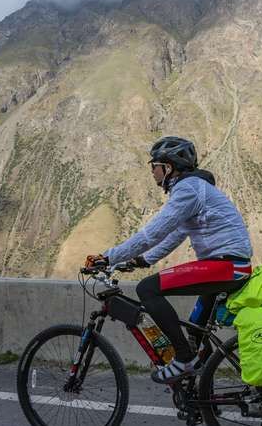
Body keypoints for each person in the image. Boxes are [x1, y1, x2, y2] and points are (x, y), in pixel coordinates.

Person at [85, 136, 253, 384]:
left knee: (147, 289)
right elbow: (176, 234)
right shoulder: (194, 189)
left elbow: (153, 233)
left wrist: (108, 257)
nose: (152, 171)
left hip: (226, 267)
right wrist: (142, 261)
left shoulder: (188, 189)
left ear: (169, 167)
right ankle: (198, 396)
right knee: (195, 333)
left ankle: (184, 359)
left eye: (154, 165)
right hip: (228, 266)